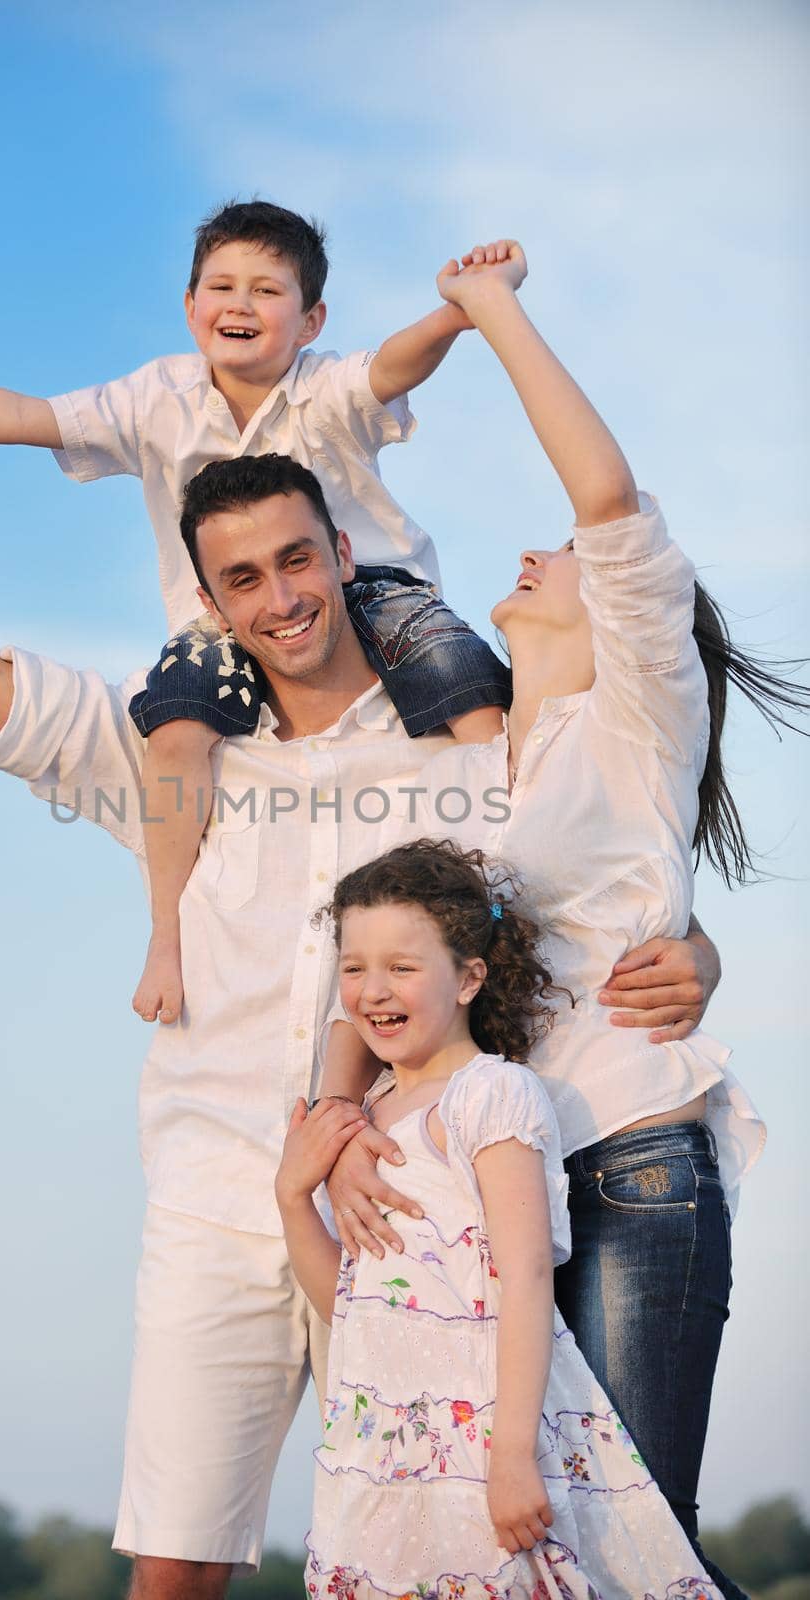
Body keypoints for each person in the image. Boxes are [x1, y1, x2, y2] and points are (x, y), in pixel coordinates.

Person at [0, 379, 718, 1600]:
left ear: (340, 553)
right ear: (210, 600)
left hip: (409, 1220)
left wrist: (695, 951)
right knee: (173, 1563)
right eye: (242, 579)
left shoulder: (464, 744)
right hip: (218, 1195)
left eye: (297, 560)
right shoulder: (168, 758)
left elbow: (583, 882)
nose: (279, 598)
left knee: (449, 1555)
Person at [322, 243, 805, 1599]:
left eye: (568, 564)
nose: (539, 551)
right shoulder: (468, 788)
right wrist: (335, 1117)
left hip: (631, 1163)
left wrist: (489, 311)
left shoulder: (637, 718)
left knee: (636, 1540)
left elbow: (600, 498)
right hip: (496, 1187)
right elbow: (376, 973)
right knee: (528, 1547)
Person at [0, 199, 514, 1031]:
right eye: (221, 286)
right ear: (189, 308)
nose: (241, 305)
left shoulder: (323, 385)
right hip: (217, 623)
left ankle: (508, 892)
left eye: (267, 291)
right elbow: (26, 416)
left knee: (468, 689)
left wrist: (461, 308)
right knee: (174, 737)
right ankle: (164, 934)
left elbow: (395, 366)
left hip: (374, 590)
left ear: (310, 319)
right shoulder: (157, 399)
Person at [277, 839, 725, 1598]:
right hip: (382, 1454)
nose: (371, 989)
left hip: (484, 1445)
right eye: (352, 968)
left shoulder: (492, 1096)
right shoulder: (361, 1121)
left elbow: (525, 1283)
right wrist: (292, 1197)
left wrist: (511, 1455)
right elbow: (351, 1311)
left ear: (468, 978)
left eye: (402, 967)